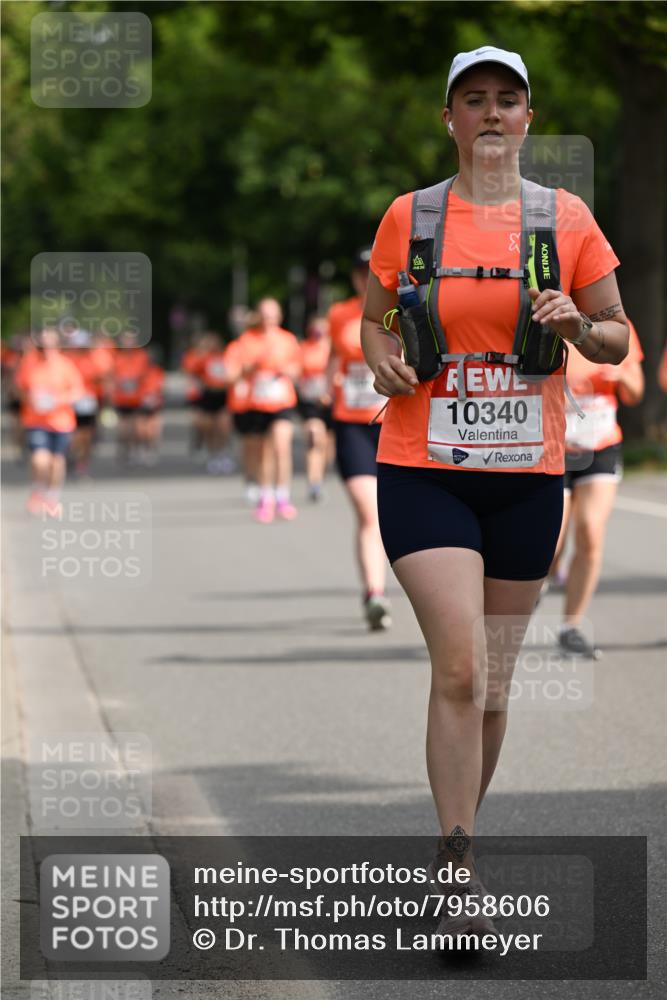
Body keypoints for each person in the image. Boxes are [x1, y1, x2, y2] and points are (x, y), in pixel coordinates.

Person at [361, 46, 629, 934]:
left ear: (527, 117)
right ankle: (454, 862)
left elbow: (618, 340)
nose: (488, 113)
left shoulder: (564, 219)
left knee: (497, 683)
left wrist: (577, 323)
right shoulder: (412, 215)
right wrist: (384, 361)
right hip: (422, 465)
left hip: (527, 475)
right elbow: (373, 320)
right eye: (470, 100)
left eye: (504, 101)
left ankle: (460, 832)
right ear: (448, 118)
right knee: (462, 665)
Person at [549, 320, 644, 658]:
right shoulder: (551, 322)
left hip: (600, 445)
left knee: (590, 530)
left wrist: (622, 377)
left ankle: (571, 627)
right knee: (549, 540)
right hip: (555, 450)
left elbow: (636, 391)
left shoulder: (617, 325)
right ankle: (533, 585)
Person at [328, 249, 392, 631]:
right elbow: (332, 358)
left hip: (393, 421)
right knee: (369, 513)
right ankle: (375, 592)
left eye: (371, 272)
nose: (364, 278)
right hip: (351, 422)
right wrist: (322, 391)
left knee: (391, 514)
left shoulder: (401, 308)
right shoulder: (339, 314)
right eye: (358, 273)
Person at [225, 298, 301, 523]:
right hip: (256, 403)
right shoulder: (246, 341)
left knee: (281, 446)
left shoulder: (287, 340)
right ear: (258, 316)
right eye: (264, 315)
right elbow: (231, 375)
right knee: (263, 453)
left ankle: (283, 497)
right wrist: (252, 367)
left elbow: (297, 369)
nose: (268, 319)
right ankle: (266, 497)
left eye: (272, 315)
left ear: (279, 317)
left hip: (282, 401)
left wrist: (286, 370)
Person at [14, 326, 84, 516]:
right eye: (43, 344)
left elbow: (78, 391)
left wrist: (58, 400)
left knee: (57, 462)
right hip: (35, 420)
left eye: (50, 343)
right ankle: (37, 490)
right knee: (40, 460)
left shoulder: (66, 365)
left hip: (61, 421)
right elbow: (19, 388)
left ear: (57, 344)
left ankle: (52, 497)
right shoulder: (29, 363)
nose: (46, 347)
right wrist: (30, 398)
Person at [297, 315, 333, 502]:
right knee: (314, 436)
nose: (318, 334)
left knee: (327, 444)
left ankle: (321, 475)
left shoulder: (334, 349)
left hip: (332, 402)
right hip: (310, 402)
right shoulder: (304, 349)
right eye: (315, 330)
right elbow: (296, 373)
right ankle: (314, 482)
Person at [111, 331, 151, 463]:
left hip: (138, 398)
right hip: (121, 398)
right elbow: (111, 376)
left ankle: (138, 448)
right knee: (124, 428)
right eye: (125, 340)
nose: (128, 343)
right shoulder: (116, 357)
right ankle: (125, 448)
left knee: (138, 427)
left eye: (130, 340)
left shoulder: (141, 356)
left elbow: (146, 375)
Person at [135, 355, 166, 465]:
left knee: (153, 429)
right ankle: (143, 448)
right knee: (141, 430)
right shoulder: (138, 372)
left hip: (154, 402)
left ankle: (152, 449)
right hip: (141, 402)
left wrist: (156, 398)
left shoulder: (157, 372)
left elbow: (160, 386)